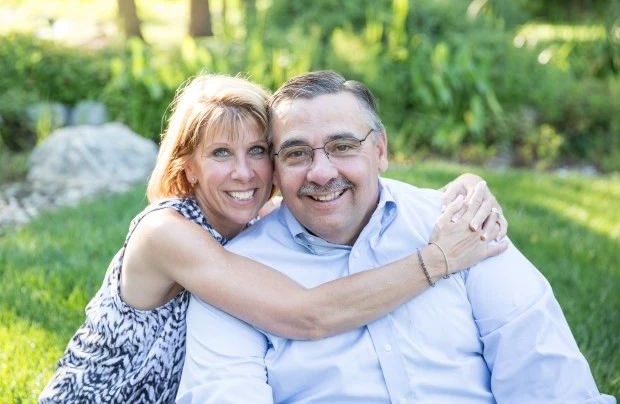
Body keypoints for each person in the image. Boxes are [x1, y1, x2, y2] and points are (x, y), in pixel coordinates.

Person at [39, 74, 508, 403]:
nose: (244, 172)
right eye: (221, 153)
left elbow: (337, 188)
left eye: (258, 151)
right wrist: (439, 259)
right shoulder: (167, 234)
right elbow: (307, 315)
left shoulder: (245, 219)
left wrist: (464, 188)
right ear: (189, 167)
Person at [177, 71, 615, 403]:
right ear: (275, 168)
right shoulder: (237, 273)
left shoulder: (460, 224)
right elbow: (225, 390)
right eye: (296, 153)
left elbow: (542, 370)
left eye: (343, 147)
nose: (321, 172)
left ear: (380, 150)